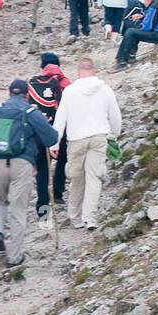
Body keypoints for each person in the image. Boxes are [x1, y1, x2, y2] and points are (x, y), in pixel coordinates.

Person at [0, 79, 58, 267]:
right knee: (18, 210)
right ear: (27, 95)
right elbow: (52, 137)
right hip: (22, 163)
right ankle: (15, 257)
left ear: (9, 92)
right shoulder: (30, 112)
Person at [52, 58, 122, 231]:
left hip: (76, 139)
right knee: (94, 177)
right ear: (94, 70)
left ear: (78, 72)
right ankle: (89, 217)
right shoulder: (105, 90)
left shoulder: (70, 91)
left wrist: (54, 143)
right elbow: (115, 115)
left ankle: (75, 217)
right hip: (98, 137)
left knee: (77, 178)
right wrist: (114, 133)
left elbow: (61, 118)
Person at [28, 55, 71, 218]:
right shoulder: (66, 83)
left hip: (39, 132)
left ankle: (43, 206)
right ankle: (58, 194)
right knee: (61, 161)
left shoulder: (33, 83)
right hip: (62, 132)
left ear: (42, 67)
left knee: (42, 169)